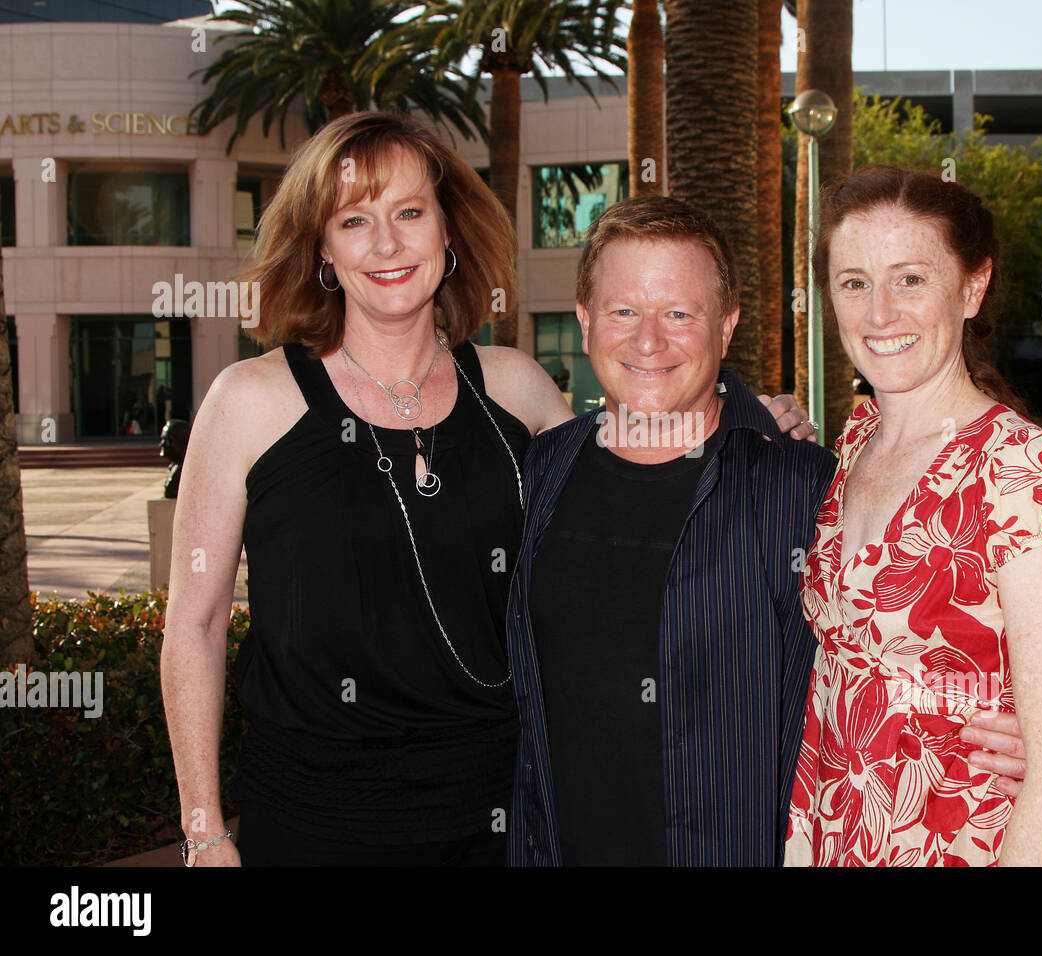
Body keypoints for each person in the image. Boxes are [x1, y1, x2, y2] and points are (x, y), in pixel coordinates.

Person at [160, 111, 810, 867]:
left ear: (449, 233)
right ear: (323, 251)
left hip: (495, 820)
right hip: (313, 822)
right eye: (354, 220)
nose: (388, 243)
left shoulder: (514, 388)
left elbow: (639, 462)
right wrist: (204, 831)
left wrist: (756, 420)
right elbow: (194, 627)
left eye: (410, 212)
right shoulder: (250, 401)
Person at [506, 195, 1030, 867]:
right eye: (623, 311)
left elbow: (934, 621)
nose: (648, 340)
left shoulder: (807, 488)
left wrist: (1011, 727)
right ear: (584, 321)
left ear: (726, 328)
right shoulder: (544, 468)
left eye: (678, 313)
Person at [785, 165, 1042, 866]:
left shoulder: (1026, 471)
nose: (879, 313)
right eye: (853, 282)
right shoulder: (852, 448)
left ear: (972, 286)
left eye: (910, 278)